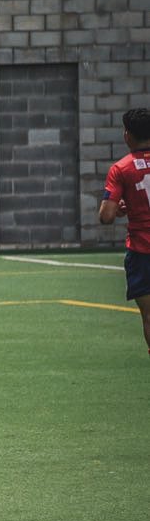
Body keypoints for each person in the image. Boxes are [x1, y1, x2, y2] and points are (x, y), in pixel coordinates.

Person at [100, 108, 150, 359]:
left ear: (127, 135)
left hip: (143, 251)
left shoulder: (122, 169)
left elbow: (106, 216)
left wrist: (121, 206)